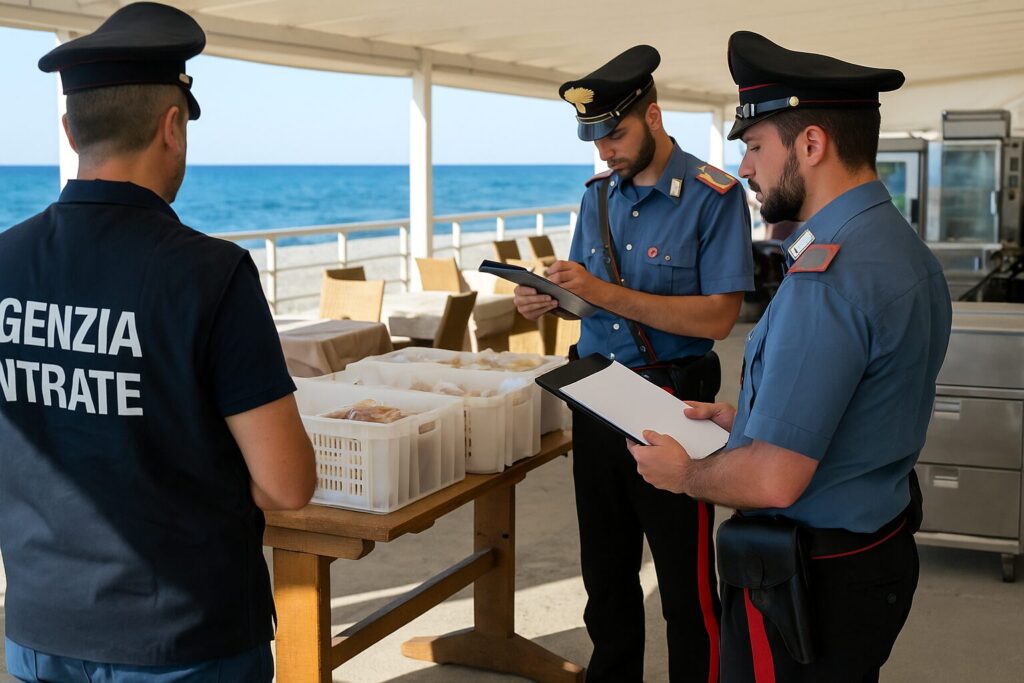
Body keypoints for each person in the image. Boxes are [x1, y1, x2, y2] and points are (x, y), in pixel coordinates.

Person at [0, 3, 316, 681]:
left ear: (69, 128)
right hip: (182, 639)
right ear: (172, 127)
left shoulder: (4, 260)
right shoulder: (210, 274)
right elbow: (287, 484)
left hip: (39, 629)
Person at [628, 31, 952, 682]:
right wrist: (744, 418)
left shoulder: (828, 277)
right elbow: (861, 400)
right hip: (875, 550)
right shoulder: (897, 246)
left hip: (810, 579)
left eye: (753, 146)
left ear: (810, 144)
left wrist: (684, 475)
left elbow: (775, 479)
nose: (744, 167)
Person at [514, 45, 754, 682]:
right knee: (606, 575)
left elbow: (718, 319)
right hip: (595, 397)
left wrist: (603, 293)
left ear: (652, 116)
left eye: (614, 134)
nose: (604, 152)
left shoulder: (714, 196)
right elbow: (586, 303)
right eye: (593, 139)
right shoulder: (596, 197)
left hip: (674, 404)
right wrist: (550, 299)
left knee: (685, 585)